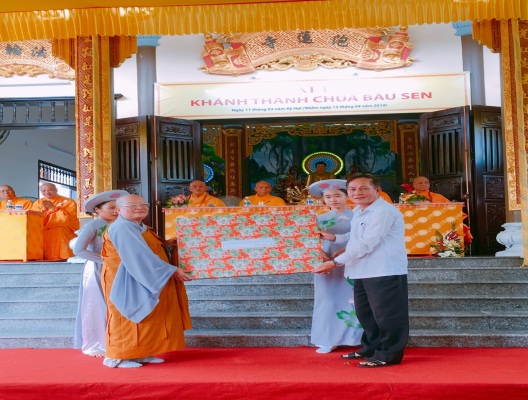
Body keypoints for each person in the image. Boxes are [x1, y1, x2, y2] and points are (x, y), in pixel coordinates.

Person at [315, 174, 409, 368]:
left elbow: (366, 243)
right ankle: (371, 346)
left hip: (383, 270)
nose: (358, 193)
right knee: (366, 314)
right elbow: (354, 236)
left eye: (364, 188)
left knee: (387, 315)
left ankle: (389, 354)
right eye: (353, 189)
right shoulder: (359, 210)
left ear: (377, 190)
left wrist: (334, 262)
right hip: (360, 270)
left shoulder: (382, 211)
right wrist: (333, 238)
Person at [101, 194, 192, 368]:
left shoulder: (137, 226)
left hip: (143, 275)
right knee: (127, 314)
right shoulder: (122, 227)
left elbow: (148, 248)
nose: (139, 207)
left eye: (143, 204)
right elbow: (139, 256)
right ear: (118, 210)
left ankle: (141, 353)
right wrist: (172, 270)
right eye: (132, 205)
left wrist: (167, 245)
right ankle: (119, 356)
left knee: (150, 314)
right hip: (126, 279)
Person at [73, 189, 129, 357]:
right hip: (98, 268)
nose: (115, 211)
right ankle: (99, 343)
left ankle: (121, 341)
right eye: (111, 207)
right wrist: (105, 260)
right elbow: (79, 250)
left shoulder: (122, 222)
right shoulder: (93, 226)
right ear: (97, 210)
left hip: (120, 267)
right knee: (99, 304)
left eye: (117, 207)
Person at [308, 179, 363, 354]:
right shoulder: (317, 219)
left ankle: (355, 338)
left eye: (338, 195)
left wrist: (346, 251)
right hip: (326, 265)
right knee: (327, 301)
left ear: (347, 197)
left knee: (353, 301)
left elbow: (362, 240)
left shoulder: (358, 216)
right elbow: (308, 241)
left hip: (354, 263)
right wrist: (319, 255)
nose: (333, 199)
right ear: (323, 199)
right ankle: (328, 339)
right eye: (328, 196)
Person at [412, 175, 473, 244]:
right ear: (414, 185)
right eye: (420, 183)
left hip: (437, 221)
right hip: (416, 222)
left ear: (429, 184)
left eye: (426, 183)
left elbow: (452, 208)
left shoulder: (437, 196)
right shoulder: (408, 197)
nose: (424, 184)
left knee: (459, 226)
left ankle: (450, 248)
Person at [31, 183, 79, 260]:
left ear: (56, 190)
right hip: (43, 226)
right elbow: (34, 216)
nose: (47, 192)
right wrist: (43, 210)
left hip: (62, 226)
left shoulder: (68, 201)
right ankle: (38, 256)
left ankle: (62, 256)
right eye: (43, 191)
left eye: (50, 190)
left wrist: (53, 208)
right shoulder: (38, 203)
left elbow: (68, 219)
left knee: (59, 230)